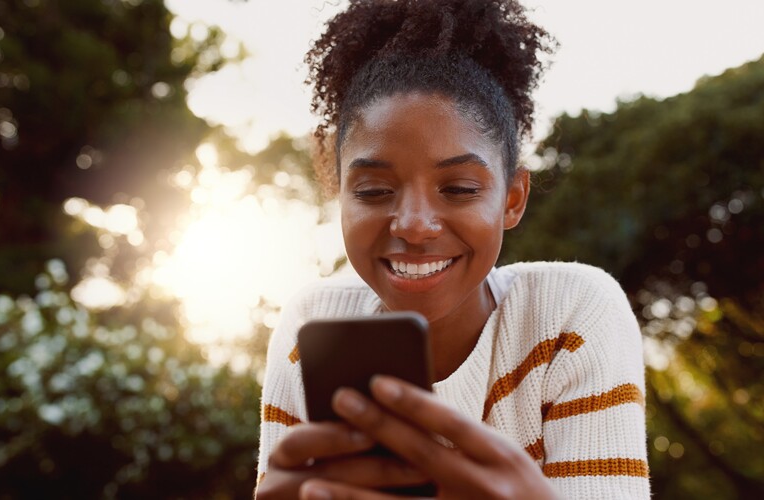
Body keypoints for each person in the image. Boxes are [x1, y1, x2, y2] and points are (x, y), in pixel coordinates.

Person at [255, 0, 649, 498]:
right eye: (374, 191)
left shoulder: (570, 317)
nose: (415, 225)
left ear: (513, 199)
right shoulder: (310, 329)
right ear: (340, 196)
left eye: (460, 189)